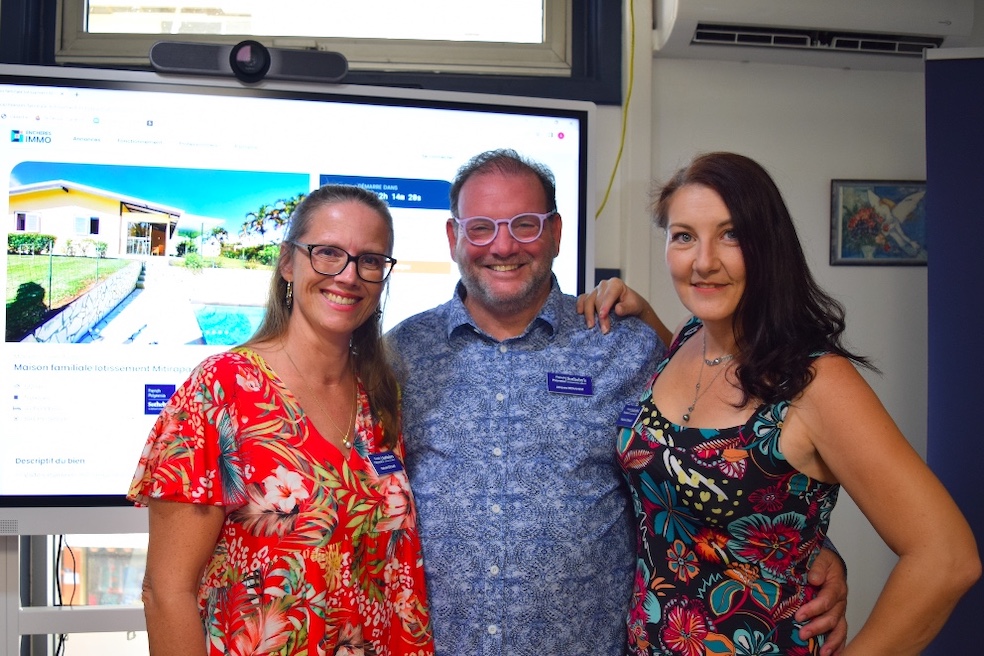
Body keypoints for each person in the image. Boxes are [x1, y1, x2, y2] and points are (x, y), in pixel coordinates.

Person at [386, 149, 849, 656]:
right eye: (480, 228)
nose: (502, 246)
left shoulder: (625, 346)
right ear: (453, 237)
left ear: (557, 232)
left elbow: (710, 454)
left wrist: (809, 547)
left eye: (524, 224)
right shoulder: (401, 355)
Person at [584, 152, 980, 655]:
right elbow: (680, 445)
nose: (703, 261)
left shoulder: (816, 383)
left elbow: (947, 557)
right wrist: (642, 311)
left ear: (769, 246)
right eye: (684, 236)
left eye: (730, 235)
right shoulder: (688, 339)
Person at [129, 185, 435, 656]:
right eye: (328, 252)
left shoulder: (381, 396)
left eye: (370, 260)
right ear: (288, 263)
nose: (349, 275)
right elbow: (166, 592)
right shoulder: (222, 390)